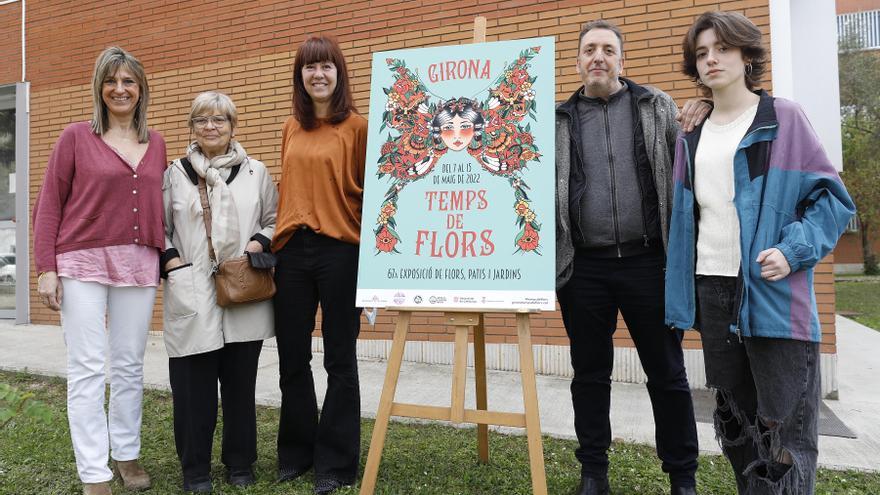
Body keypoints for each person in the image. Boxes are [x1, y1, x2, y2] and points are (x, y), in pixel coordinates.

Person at [666, 12, 856, 494]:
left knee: (785, 433)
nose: (711, 59)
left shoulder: (783, 119)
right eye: (702, 52)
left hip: (773, 293)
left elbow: (832, 202)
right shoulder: (691, 133)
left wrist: (793, 251)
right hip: (713, 292)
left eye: (722, 49)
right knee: (737, 428)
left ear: (747, 55)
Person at [555, 20, 708, 495]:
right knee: (590, 374)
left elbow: (694, 158)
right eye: (588, 50)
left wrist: (704, 99)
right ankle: (593, 473)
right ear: (578, 61)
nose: (597, 57)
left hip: (649, 263)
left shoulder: (655, 106)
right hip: (583, 269)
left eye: (607, 49)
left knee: (667, 374)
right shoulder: (556, 120)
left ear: (622, 60)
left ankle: (682, 476)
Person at [33, 46, 166, 495]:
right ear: (99, 87)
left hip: (138, 261)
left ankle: (126, 453)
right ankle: (94, 473)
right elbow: (49, 204)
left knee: (128, 365)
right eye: (112, 81)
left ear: (141, 88)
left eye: (129, 81)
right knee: (87, 367)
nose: (120, 89)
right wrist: (45, 268)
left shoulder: (158, 142)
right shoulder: (75, 136)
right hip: (82, 261)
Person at [161, 91, 278, 493]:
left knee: (240, 386)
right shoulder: (174, 173)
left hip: (242, 287)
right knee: (193, 390)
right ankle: (195, 470)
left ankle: (240, 463)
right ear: (191, 127)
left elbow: (275, 218)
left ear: (233, 126)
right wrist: (173, 261)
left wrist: (258, 244)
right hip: (191, 289)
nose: (211, 127)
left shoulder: (255, 172)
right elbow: (158, 230)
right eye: (202, 120)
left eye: (220, 120)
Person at [272, 35, 367, 495]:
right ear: (301, 77)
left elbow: (374, 198)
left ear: (339, 73)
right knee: (292, 357)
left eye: (327, 66)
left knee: (339, 359)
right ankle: (296, 451)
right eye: (310, 68)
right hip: (291, 251)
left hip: (340, 251)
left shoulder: (358, 127)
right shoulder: (292, 126)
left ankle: (337, 462)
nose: (318, 75)